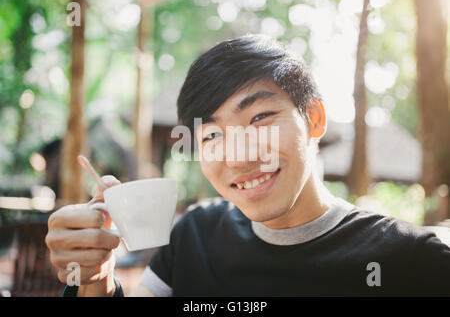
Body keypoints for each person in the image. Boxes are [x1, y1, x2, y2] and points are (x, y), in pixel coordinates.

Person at [45, 35, 450, 297]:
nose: (238, 157)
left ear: (315, 119)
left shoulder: (412, 263)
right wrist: (95, 281)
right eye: (212, 136)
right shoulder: (195, 237)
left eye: (259, 119)